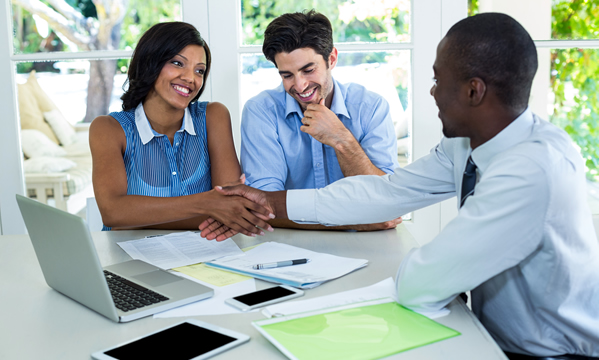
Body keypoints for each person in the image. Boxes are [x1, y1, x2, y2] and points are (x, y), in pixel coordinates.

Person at [201, 13, 599, 359]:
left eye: (437, 79)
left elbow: (416, 284)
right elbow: (386, 193)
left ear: (474, 91)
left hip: (550, 352)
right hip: (495, 334)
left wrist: (429, 268)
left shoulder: (530, 170)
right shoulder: (463, 145)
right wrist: (267, 200)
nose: (431, 92)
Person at [89, 22, 272, 236]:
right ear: (150, 62)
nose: (190, 78)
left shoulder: (213, 117)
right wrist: (207, 203)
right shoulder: (109, 129)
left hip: (204, 255)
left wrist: (137, 218)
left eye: (199, 71)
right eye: (177, 63)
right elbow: (113, 213)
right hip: (128, 259)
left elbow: (231, 210)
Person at [240, 10, 402, 231]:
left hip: (367, 241)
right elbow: (262, 206)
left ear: (331, 59)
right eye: (287, 75)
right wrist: (349, 221)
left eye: (308, 70)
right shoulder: (261, 111)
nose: (299, 86)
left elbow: (387, 201)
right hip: (288, 241)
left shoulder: (371, 108)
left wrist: (341, 139)